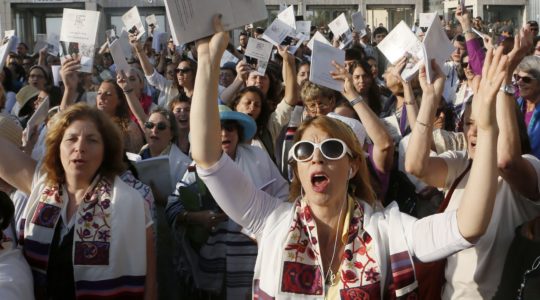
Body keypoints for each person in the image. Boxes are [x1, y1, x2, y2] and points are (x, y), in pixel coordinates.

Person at [189, 15, 501, 299]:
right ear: (295, 168)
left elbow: (467, 226)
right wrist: (207, 62)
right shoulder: (270, 220)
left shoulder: (384, 229)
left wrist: (487, 130)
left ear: (353, 166)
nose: (316, 158)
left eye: (332, 149)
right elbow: (208, 160)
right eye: (304, 150)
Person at [405, 29, 540, 299]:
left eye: (487, 124)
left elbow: (505, 161)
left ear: (510, 127)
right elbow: (416, 166)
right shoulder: (461, 163)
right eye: (469, 124)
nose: (475, 133)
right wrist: (429, 98)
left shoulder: (531, 166)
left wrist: (505, 80)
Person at [0, 103, 157, 299]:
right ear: (57, 147)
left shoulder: (131, 202)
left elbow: (150, 284)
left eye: (92, 140)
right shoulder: (42, 186)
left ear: (106, 150)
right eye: (71, 139)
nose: (80, 147)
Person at [167, 105, 288, 299]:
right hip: (212, 258)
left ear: (238, 133)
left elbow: (283, 195)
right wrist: (197, 217)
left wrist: (266, 226)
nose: (224, 133)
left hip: (253, 256)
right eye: (217, 128)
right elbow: (173, 203)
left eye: (229, 128)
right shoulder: (197, 167)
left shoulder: (258, 158)